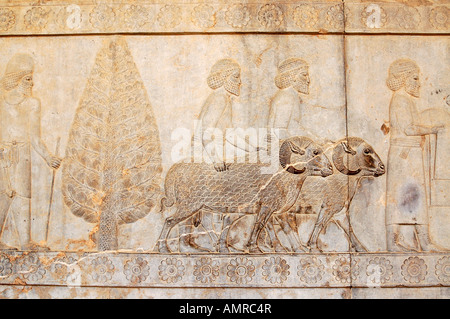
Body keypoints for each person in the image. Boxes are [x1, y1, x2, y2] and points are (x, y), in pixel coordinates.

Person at [0, 54, 61, 251]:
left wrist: (48, 157)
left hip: (23, 152)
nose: (32, 83)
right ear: (16, 79)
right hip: (2, 154)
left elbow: (35, 138)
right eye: (28, 78)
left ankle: (25, 242)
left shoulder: (32, 104)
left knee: (23, 196)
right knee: (3, 196)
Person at [385, 58, 444, 252]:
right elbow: (409, 129)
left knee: (414, 196)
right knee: (403, 196)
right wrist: (432, 128)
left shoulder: (405, 100)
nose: (419, 83)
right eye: (416, 78)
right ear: (404, 79)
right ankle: (397, 242)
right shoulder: (400, 100)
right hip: (405, 155)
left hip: (411, 154)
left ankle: (422, 241)